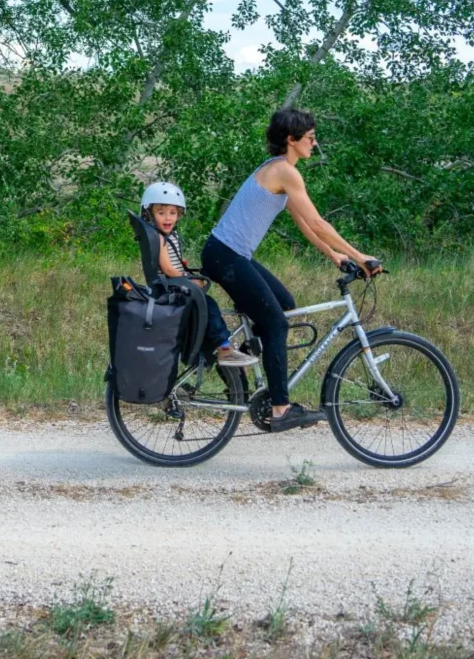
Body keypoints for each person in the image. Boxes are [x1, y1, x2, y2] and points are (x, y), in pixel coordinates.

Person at [201, 108, 382, 432]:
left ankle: (239, 366)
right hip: (226, 256)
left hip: (228, 253)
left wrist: (336, 256)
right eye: (310, 138)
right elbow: (317, 221)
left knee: (283, 303)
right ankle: (281, 408)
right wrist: (360, 254)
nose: (314, 143)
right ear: (291, 139)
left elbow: (305, 225)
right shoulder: (285, 171)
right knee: (276, 324)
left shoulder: (280, 170)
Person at [140, 181, 258, 368]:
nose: (167, 218)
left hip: (172, 285)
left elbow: (173, 264)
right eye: (161, 213)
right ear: (149, 214)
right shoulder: (159, 237)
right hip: (171, 288)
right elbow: (169, 269)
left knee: (204, 300)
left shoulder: (167, 236)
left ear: (179, 214)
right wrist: (188, 279)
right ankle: (224, 347)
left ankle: (206, 355)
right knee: (208, 304)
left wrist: (186, 271)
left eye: (172, 213)